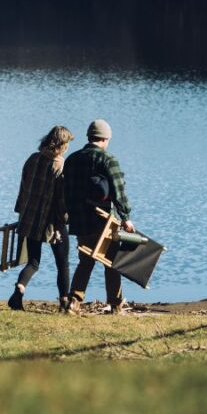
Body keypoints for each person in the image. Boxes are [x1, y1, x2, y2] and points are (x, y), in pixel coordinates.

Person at [63, 119, 134, 315]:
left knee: (85, 260)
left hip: (79, 220)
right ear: (106, 138)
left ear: (89, 137)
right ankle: (116, 305)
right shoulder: (107, 160)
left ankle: (74, 302)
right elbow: (119, 191)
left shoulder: (72, 159)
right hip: (103, 221)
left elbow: (65, 192)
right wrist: (126, 216)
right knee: (111, 262)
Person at [8, 125, 74, 312]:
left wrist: (21, 211)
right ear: (62, 145)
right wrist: (65, 221)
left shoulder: (33, 159)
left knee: (33, 262)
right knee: (63, 264)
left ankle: (18, 292)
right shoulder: (59, 167)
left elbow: (23, 187)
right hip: (51, 223)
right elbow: (61, 201)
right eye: (67, 144)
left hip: (29, 218)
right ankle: (64, 302)